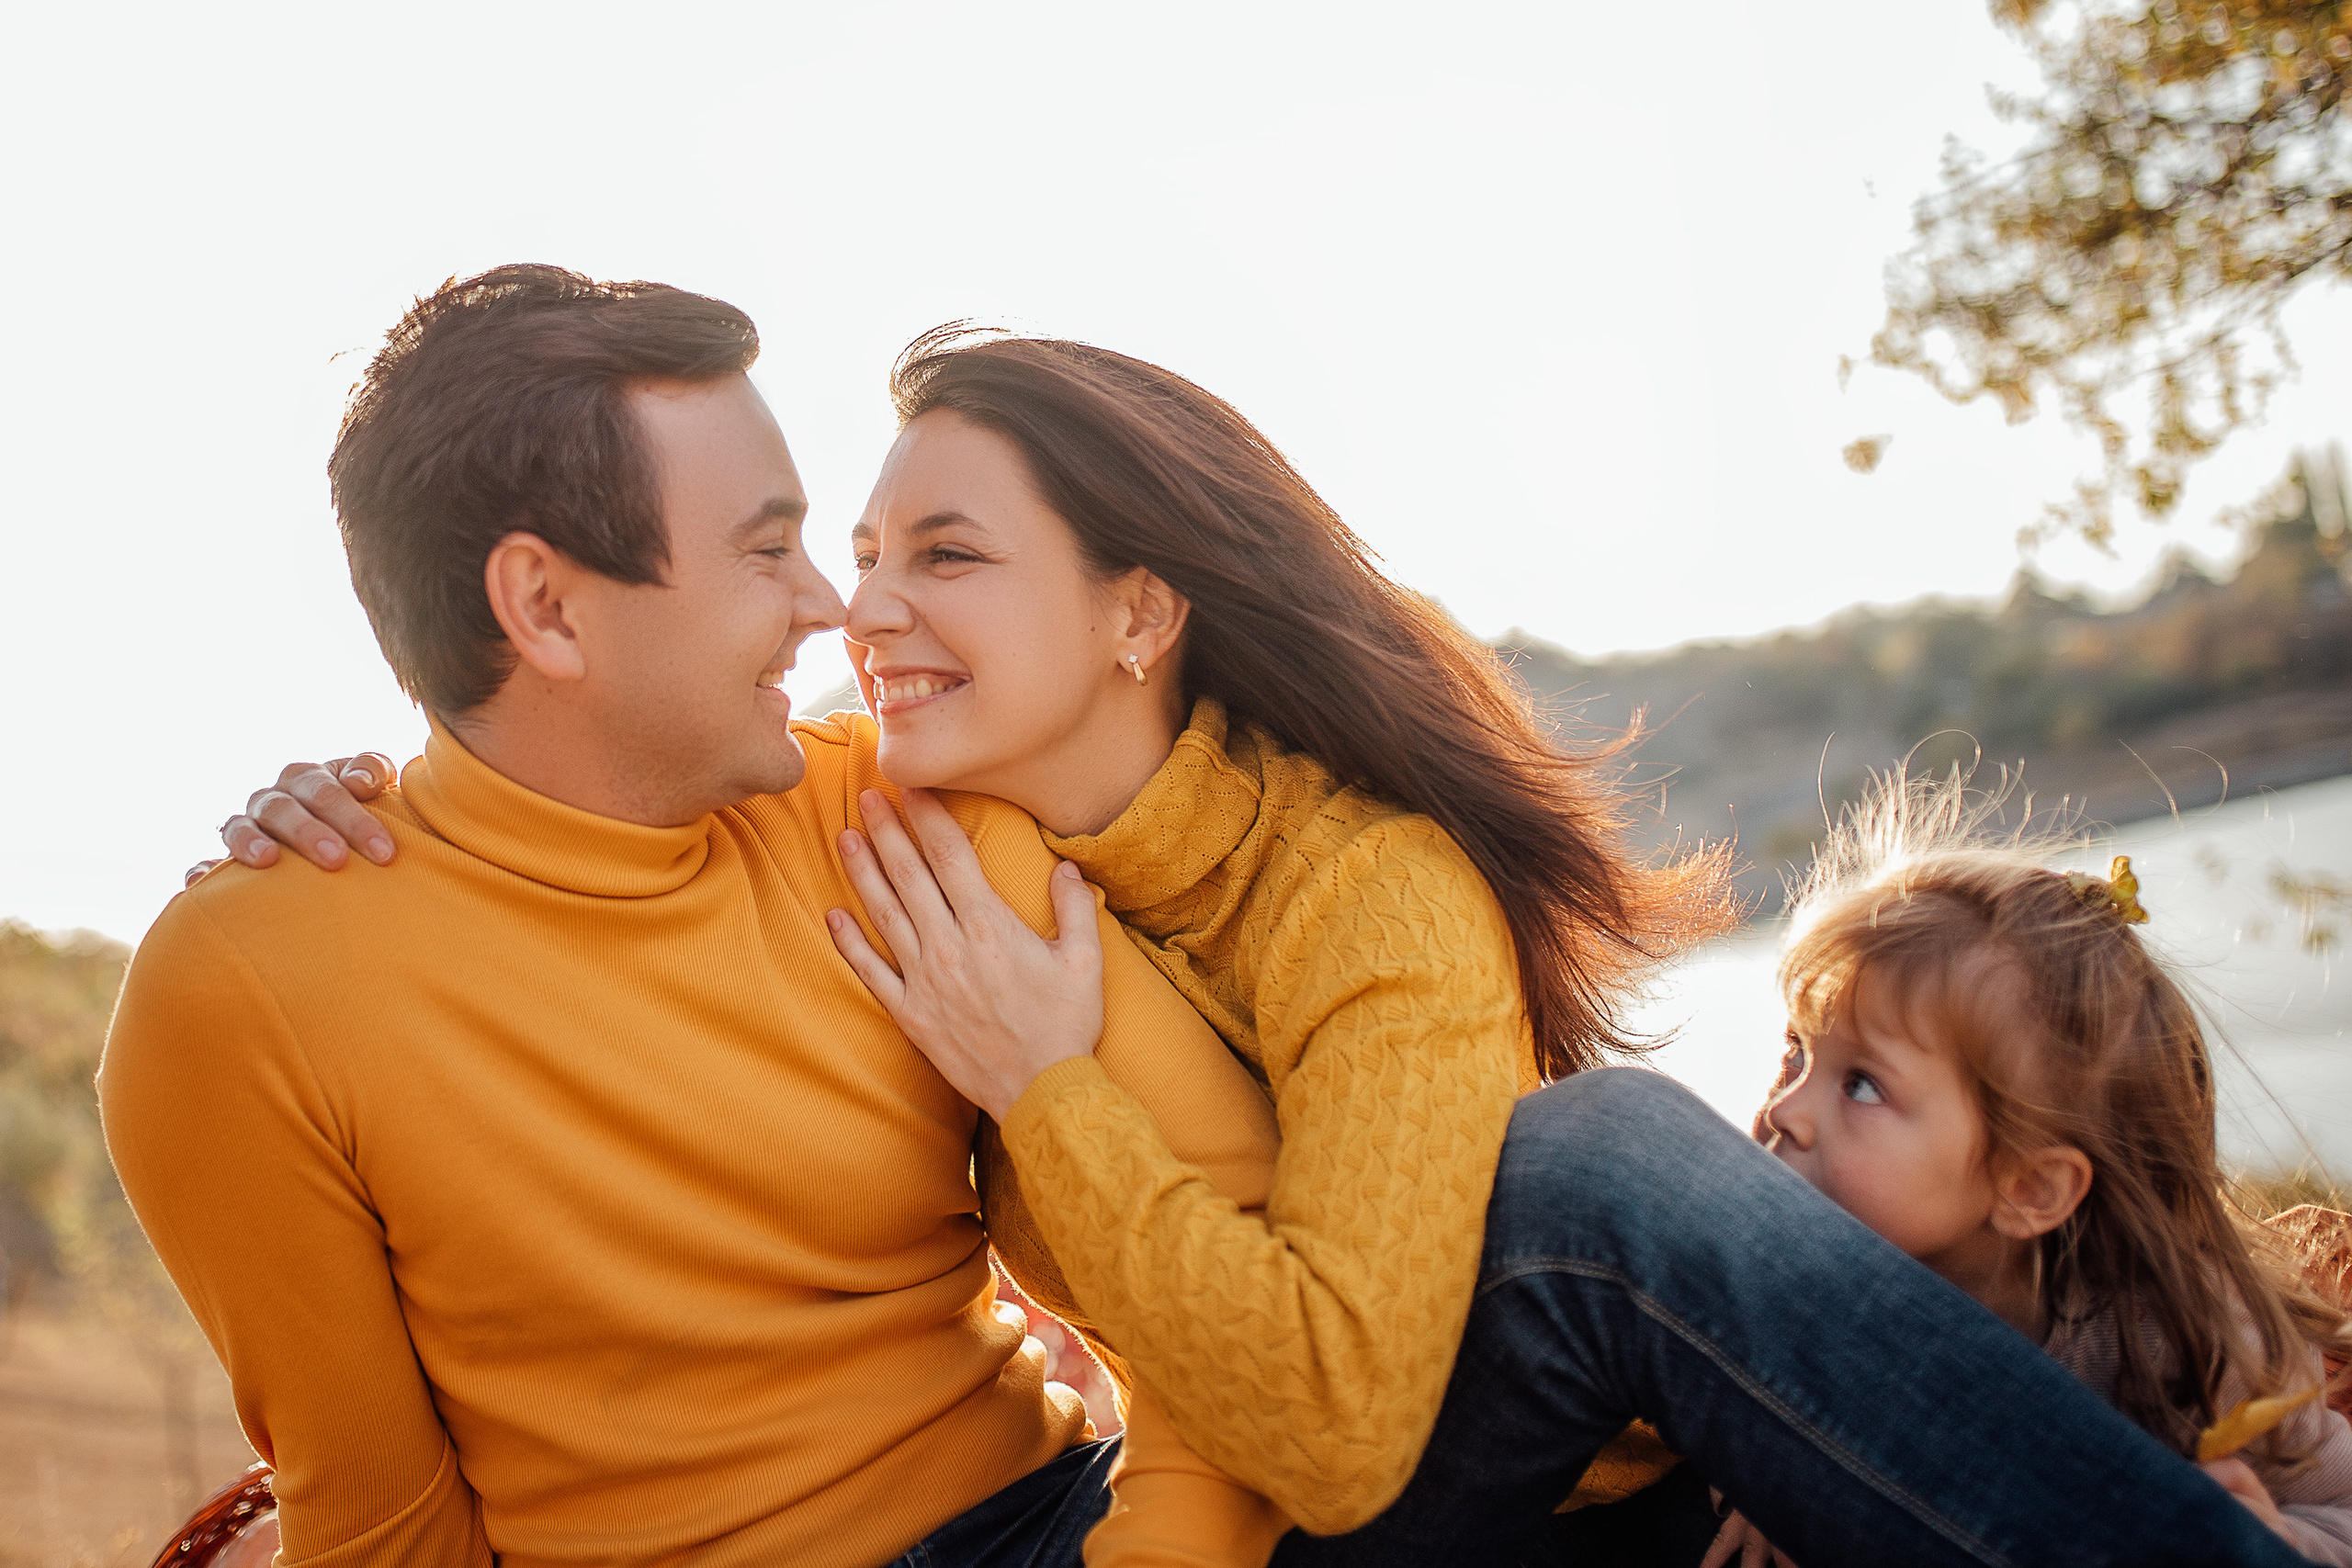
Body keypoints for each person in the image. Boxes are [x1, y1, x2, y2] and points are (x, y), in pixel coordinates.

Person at [229, 317, 2330, 1565]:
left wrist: (1042, 1082)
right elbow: (562, 744)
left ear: (1138, 611)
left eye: (935, 552)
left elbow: (1331, 1419)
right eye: (849, 553)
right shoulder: (901, 803)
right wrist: (380, 793)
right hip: (1250, 1472)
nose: (850, 609)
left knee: (1595, 1162)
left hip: (1477, 1468)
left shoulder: (1359, 888)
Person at [103, 265, 1285, 1568]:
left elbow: (1231, 1233)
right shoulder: (240, 988)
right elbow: (381, 1517)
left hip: (1070, 1524)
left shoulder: (896, 813)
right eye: (764, 548)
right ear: (545, 607)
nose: (829, 603)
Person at [1692, 774, 2352, 1567]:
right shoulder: (1796, 1266)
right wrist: (1769, 1474)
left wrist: (2277, 1539)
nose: (1786, 1109)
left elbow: (2341, 1508)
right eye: (1795, 1052)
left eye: (1859, 1083)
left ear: (2029, 1186)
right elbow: (1727, 1377)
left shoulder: (2195, 1341)